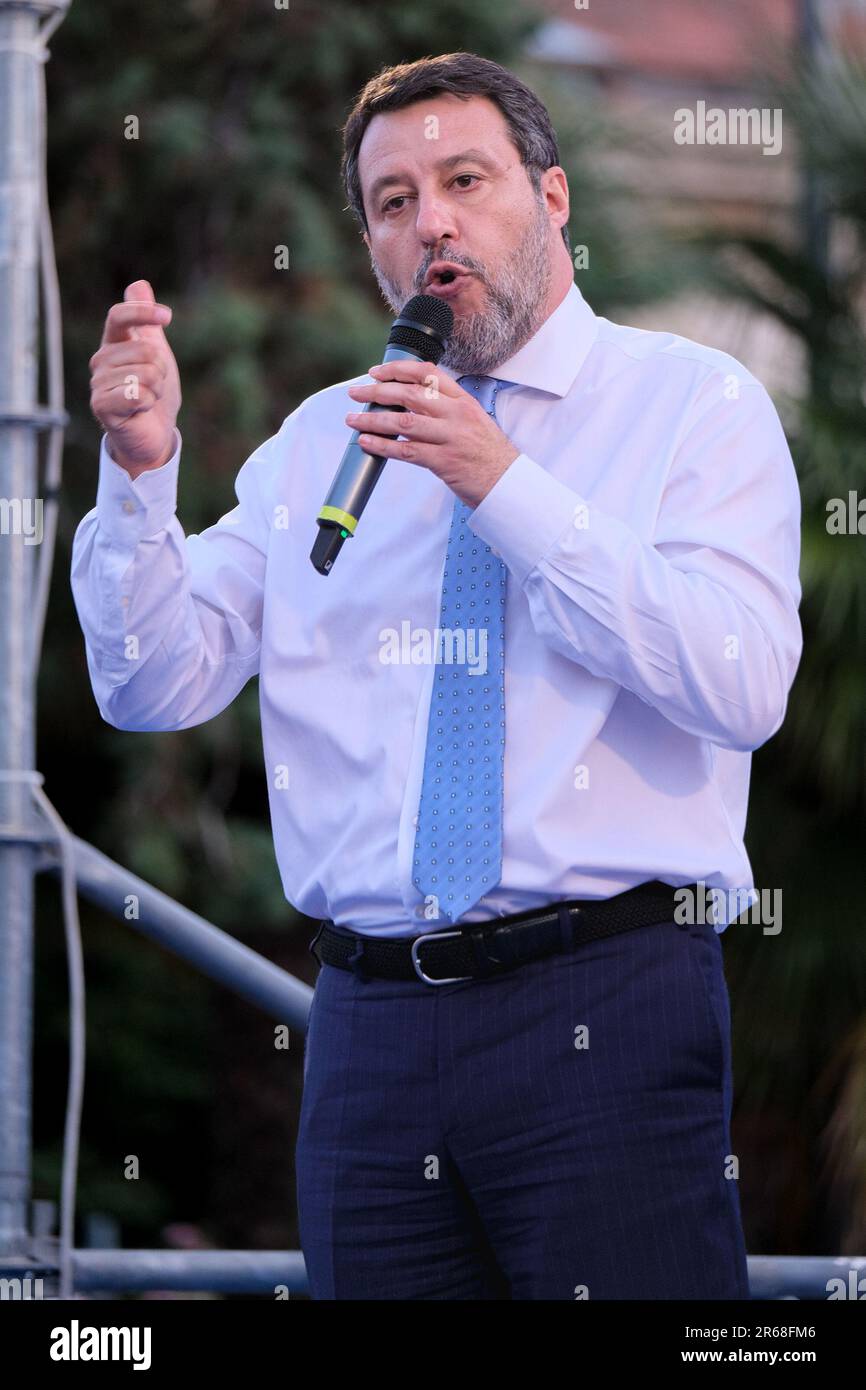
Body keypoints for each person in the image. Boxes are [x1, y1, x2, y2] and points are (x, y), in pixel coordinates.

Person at [72, 51, 803, 1300]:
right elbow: (153, 682)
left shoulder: (693, 405)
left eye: (465, 179)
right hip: (369, 1029)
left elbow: (737, 683)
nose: (432, 223)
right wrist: (141, 473)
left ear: (552, 197)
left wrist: (500, 484)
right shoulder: (324, 439)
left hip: (605, 1002)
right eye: (393, 202)